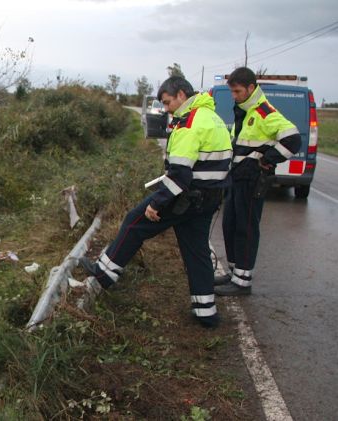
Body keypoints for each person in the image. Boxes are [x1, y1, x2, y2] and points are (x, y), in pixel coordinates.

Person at [79, 76, 232, 328]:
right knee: (197, 251)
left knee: (134, 222)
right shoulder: (213, 117)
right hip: (210, 197)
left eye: (168, 102)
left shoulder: (189, 123)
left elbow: (180, 176)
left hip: (188, 196)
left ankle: (104, 273)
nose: (166, 108)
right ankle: (206, 311)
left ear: (182, 95)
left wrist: (157, 203)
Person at [214, 67, 302, 296]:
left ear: (251, 88)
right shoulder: (244, 110)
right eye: (232, 91)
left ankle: (242, 281)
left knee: (246, 227)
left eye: (237, 91)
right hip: (238, 178)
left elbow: (293, 139)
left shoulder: (263, 111)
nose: (234, 96)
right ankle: (234, 272)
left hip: (252, 180)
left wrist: (265, 161)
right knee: (230, 224)